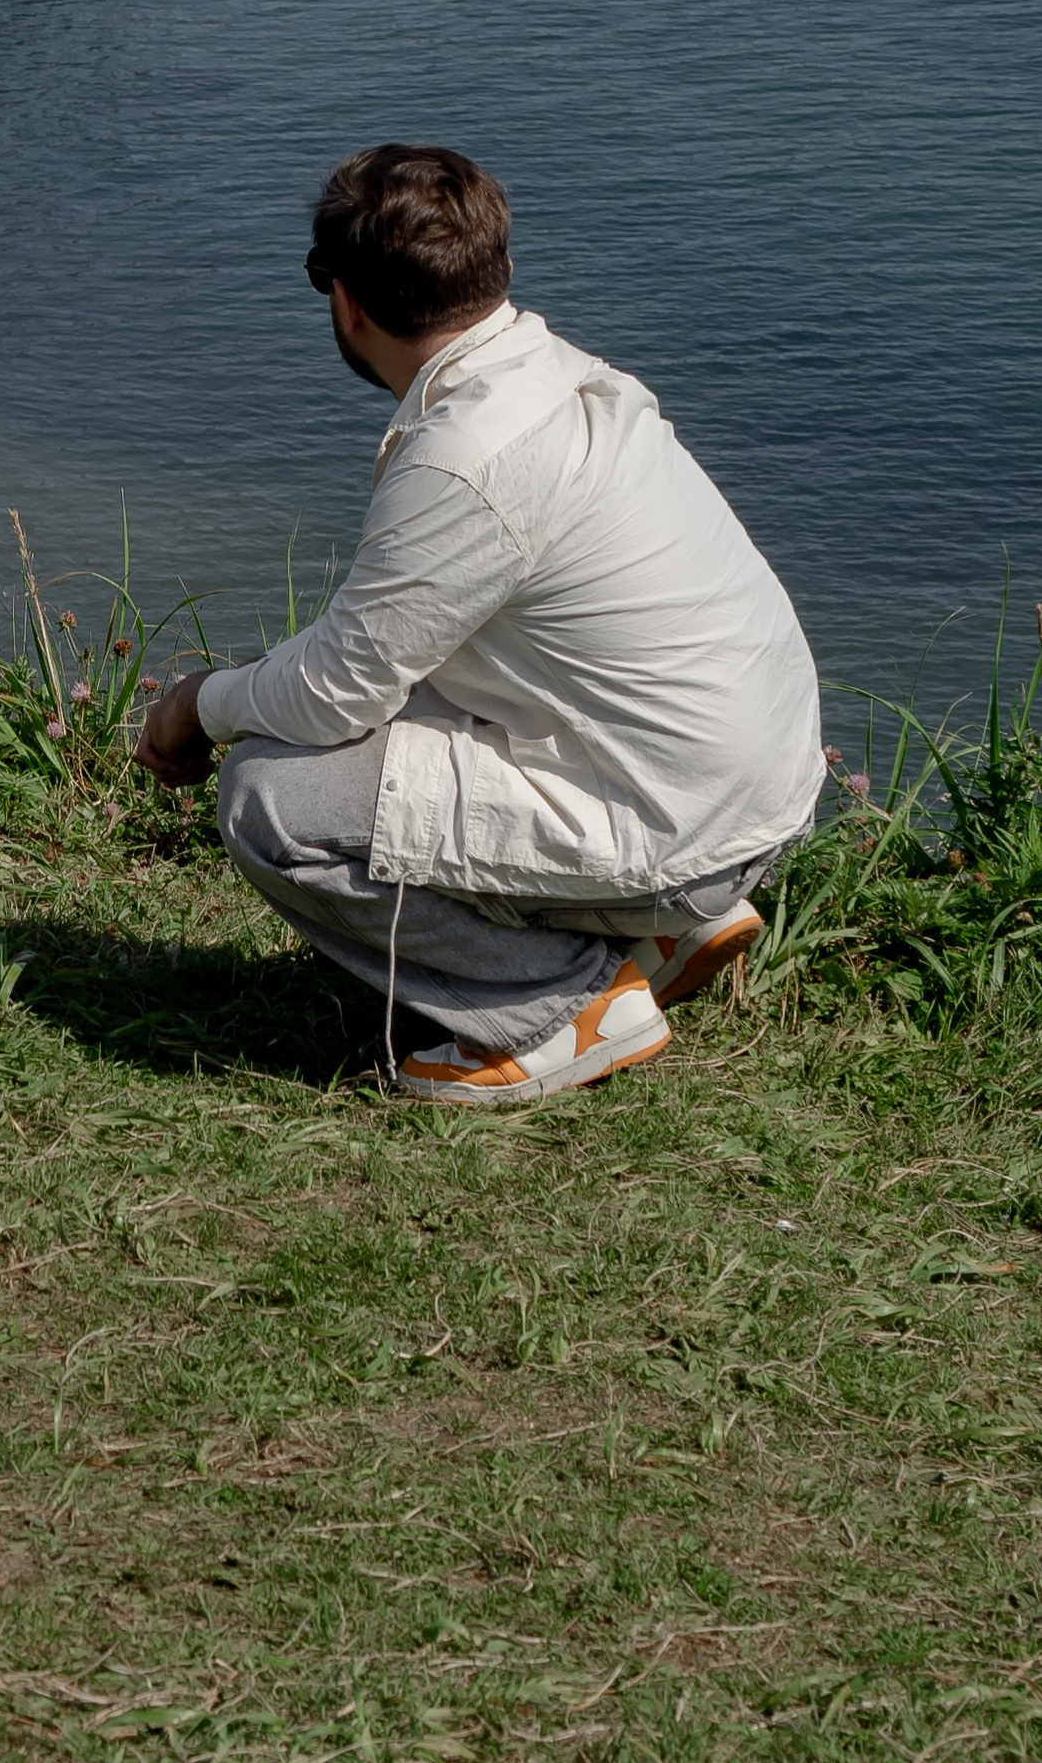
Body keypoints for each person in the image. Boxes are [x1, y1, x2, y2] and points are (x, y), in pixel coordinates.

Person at [135, 144, 826, 1107]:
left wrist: (195, 704)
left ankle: (558, 1008)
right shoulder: (559, 376)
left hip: (687, 831)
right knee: (379, 707)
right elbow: (374, 662)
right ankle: (657, 931)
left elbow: (333, 694)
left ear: (346, 302)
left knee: (269, 796)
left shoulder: (464, 457)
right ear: (492, 268)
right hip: (746, 794)